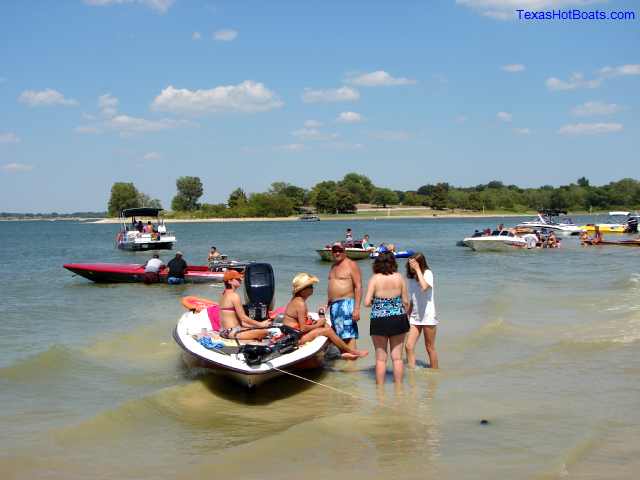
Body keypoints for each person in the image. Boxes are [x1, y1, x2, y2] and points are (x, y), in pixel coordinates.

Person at [283, 273, 368, 360]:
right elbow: (303, 329)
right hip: (296, 338)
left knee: (326, 326)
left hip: (293, 333)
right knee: (327, 330)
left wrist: (319, 322)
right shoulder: (300, 304)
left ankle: (342, 352)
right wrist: (318, 324)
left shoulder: (297, 300)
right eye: (310, 286)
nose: (313, 288)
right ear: (303, 290)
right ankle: (350, 351)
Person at [365, 252, 410, 384]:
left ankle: (380, 391)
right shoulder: (399, 277)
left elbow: (367, 302)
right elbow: (406, 301)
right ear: (393, 263)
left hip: (379, 320)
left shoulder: (374, 279)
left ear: (377, 264)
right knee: (397, 358)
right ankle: (399, 389)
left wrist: (377, 303)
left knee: (380, 359)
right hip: (398, 318)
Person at [404, 253, 438, 369]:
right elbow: (413, 299)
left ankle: (435, 374)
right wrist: (406, 315)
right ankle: (412, 374)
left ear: (420, 263)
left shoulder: (428, 273)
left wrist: (418, 270)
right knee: (408, 346)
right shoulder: (410, 278)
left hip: (428, 316)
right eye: (409, 263)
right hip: (415, 317)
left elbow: (424, 287)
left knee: (429, 347)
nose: (410, 266)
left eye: (413, 263)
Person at [327, 242, 362, 349]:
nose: (337, 253)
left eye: (340, 251)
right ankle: (345, 362)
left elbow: (358, 286)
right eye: (335, 251)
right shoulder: (333, 266)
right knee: (339, 336)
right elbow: (332, 287)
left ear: (345, 251)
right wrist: (326, 305)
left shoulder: (351, 264)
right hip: (334, 305)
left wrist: (356, 309)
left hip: (346, 305)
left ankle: (352, 364)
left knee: (348, 336)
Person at [218, 270, 271, 340]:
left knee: (259, 330)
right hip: (232, 332)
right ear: (229, 281)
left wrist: (255, 326)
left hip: (224, 331)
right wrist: (260, 324)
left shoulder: (223, 295)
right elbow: (243, 317)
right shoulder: (234, 296)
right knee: (266, 332)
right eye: (237, 279)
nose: (240, 280)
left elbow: (240, 322)